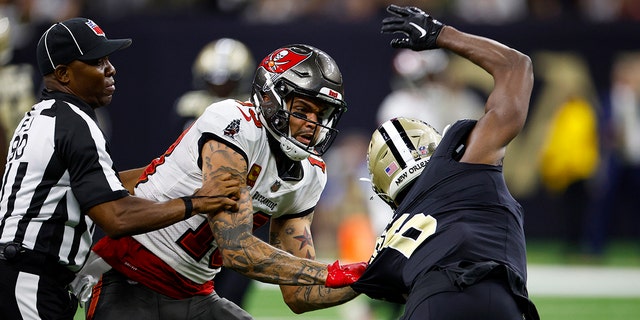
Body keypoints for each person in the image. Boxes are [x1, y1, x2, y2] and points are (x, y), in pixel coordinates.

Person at [77, 44, 367, 320]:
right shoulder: (234, 123)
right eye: (302, 110)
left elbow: (301, 295)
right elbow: (236, 250)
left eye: (322, 113)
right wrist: (331, 271)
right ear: (269, 99)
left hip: (193, 293)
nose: (312, 124)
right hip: (129, 273)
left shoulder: (311, 173)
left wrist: (371, 277)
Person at [0, 17, 243, 320]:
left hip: (28, 274)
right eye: (96, 61)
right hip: (30, 277)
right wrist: (197, 202)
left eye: (107, 59)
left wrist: (182, 165)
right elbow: (116, 217)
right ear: (63, 74)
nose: (110, 69)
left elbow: (103, 183)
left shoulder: (43, 116)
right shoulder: (75, 123)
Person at [351, 5, 540, 319]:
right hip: (496, 298)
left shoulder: (393, 236)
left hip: (426, 295)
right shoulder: (465, 161)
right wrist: (442, 35)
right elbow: (517, 67)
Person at [173, 37, 260, 307]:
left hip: (240, 210)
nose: (220, 88)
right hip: (196, 212)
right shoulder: (192, 107)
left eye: (227, 82)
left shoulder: (254, 112)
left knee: (230, 302)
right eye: (215, 81)